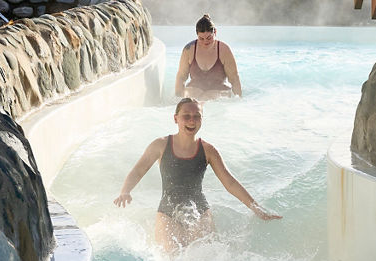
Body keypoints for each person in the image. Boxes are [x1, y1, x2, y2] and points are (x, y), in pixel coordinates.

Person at [113, 97, 280, 251]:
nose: (192, 120)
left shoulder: (208, 150)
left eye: (197, 116)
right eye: (186, 116)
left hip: (199, 212)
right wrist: (125, 191)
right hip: (167, 212)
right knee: (170, 259)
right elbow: (139, 170)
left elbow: (229, 182)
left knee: (204, 259)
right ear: (176, 118)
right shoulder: (161, 145)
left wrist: (256, 208)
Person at [175, 14, 242, 100]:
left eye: (209, 38)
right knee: (190, 93)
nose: (205, 42)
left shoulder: (224, 50)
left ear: (215, 32)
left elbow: (234, 78)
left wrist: (239, 100)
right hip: (195, 91)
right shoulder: (189, 49)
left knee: (210, 95)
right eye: (201, 38)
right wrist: (177, 99)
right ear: (197, 35)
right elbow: (181, 76)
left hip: (218, 93)